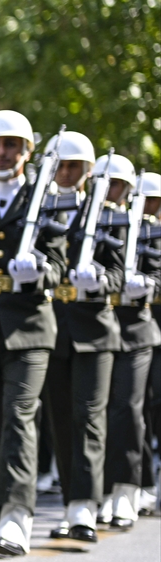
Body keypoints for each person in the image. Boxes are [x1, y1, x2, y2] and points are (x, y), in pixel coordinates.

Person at [0, 110, 66, 561]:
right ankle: (1, 505)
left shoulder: (47, 197)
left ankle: (17, 516)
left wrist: (41, 270)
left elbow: (62, 264)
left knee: (19, 414)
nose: (3, 153)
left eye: (12, 145)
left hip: (29, 323)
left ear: (27, 151)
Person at [39, 136, 122, 543]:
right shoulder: (39, 209)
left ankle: (85, 507)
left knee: (88, 416)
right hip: (53, 327)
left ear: (89, 171)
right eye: (60, 166)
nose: (65, 173)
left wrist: (103, 280)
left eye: (73, 166)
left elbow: (120, 271)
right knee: (59, 418)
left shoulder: (105, 214)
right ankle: (72, 500)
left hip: (95, 329)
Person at [103, 160, 156, 528]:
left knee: (127, 409)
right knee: (96, 412)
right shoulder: (91, 226)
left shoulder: (149, 230)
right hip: (98, 325)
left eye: (118, 184)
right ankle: (101, 493)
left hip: (136, 326)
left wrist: (149, 286)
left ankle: (127, 490)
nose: (111, 191)